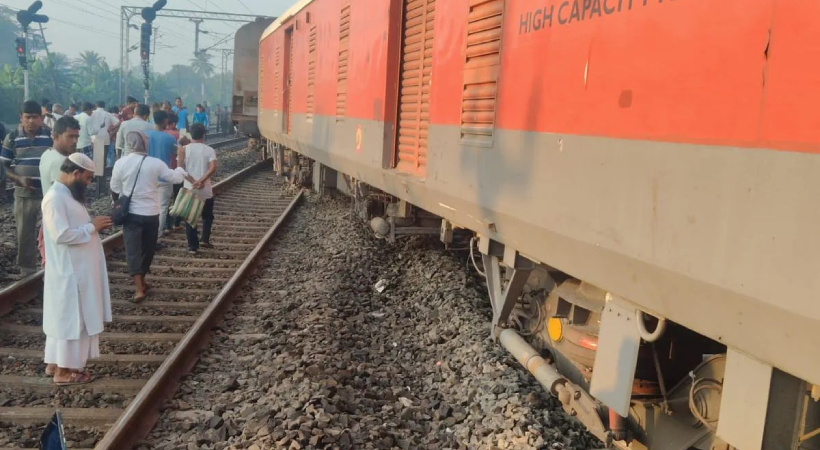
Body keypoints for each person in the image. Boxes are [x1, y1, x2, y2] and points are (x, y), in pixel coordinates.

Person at [41, 153, 112, 385]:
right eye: (88, 178)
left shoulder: (67, 195)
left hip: (77, 270)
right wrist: (91, 227)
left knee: (67, 318)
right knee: (72, 320)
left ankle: (54, 363)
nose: (89, 183)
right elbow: (60, 234)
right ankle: (64, 371)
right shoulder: (54, 198)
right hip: (70, 272)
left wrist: (90, 228)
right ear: (75, 173)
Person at [110, 131, 193, 302]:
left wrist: (117, 202)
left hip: (131, 214)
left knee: (133, 250)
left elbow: (115, 188)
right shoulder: (156, 163)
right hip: (151, 213)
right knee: (148, 249)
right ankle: (142, 283)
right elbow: (176, 178)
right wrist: (180, 163)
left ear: (128, 144)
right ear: (145, 144)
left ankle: (139, 287)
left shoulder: (120, 163)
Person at [0, 101, 53, 276]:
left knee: (53, 232)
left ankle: (52, 266)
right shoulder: (13, 137)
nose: (31, 121)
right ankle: (27, 271)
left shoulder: (50, 135)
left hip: (49, 193)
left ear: (41, 118)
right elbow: (4, 167)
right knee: (25, 233)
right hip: (24, 194)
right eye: (27, 117)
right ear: (21, 118)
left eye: (35, 117)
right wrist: (18, 178)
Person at [38, 116, 81, 267]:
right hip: (62, 222)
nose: (75, 141)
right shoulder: (61, 163)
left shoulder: (47, 154)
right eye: (70, 136)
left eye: (77, 136)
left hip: (52, 219)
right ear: (56, 136)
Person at [178, 123, 217, 253]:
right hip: (205, 189)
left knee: (190, 218)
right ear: (204, 134)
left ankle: (192, 247)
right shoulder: (209, 150)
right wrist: (201, 181)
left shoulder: (184, 149)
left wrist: (193, 181)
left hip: (189, 188)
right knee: (207, 216)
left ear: (190, 134)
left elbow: (180, 168)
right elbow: (213, 168)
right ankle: (205, 240)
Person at [145, 110, 179, 239]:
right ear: (165, 121)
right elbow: (176, 154)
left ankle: (147, 234)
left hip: (148, 177)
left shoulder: (145, 135)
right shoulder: (170, 138)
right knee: (163, 207)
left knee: (149, 206)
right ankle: (157, 236)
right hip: (164, 177)